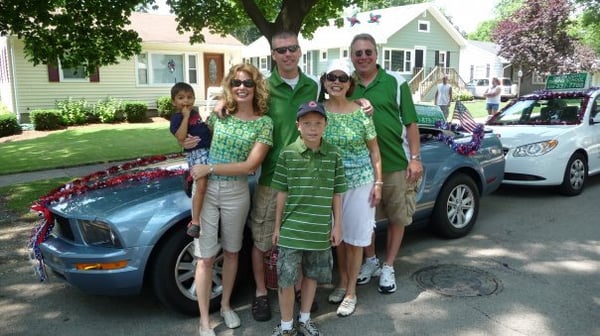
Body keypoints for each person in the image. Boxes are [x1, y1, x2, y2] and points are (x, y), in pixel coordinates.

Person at [189, 63, 273, 336]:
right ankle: (204, 320)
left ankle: (225, 306)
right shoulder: (219, 116)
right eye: (236, 83)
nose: (241, 87)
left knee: (233, 252)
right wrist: (188, 142)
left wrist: (210, 168)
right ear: (230, 86)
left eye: (248, 83)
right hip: (206, 191)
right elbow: (198, 141)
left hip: (236, 192)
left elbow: (250, 166)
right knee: (205, 258)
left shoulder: (264, 123)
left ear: (256, 87)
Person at [246, 31, 322, 322]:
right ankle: (261, 294)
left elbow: (341, 100)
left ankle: (301, 290)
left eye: (292, 48)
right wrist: (217, 107)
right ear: (273, 55)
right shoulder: (263, 87)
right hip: (271, 178)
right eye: (281, 50)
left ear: (300, 51)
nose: (287, 54)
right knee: (263, 241)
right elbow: (240, 106)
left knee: (299, 239)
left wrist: (364, 103)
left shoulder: (312, 85)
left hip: (305, 178)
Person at [348, 33, 423, 295]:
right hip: (359, 166)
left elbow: (411, 123)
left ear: (376, 54)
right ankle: (370, 261)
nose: (363, 57)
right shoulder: (346, 83)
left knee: (396, 217)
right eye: (358, 53)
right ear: (351, 56)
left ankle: (388, 266)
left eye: (368, 51)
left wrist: (414, 159)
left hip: (394, 162)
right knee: (364, 218)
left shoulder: (395, 82)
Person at [271, 101, 347, 336]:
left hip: (319, 230)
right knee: (286, 279)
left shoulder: (334, 154)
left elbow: (337, 193)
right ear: (298, 126)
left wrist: (338, 226)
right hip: (292, 229)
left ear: (325, 125)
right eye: (307, 123)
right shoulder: (288, 153)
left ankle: (304, 320)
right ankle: (286, 326)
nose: (312, 128)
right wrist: (277, 227)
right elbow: (281, 192)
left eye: (318, 123)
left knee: (312, 276)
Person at [320, 59, 382, 317]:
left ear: (350, 84)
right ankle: (342, 281)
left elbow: (375, 150)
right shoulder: (318, 111)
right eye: (332, 77)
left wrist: (378, 182)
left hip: (359, 182)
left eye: (342, 78)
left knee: (355, 239)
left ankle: (351, 291)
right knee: (338, 238)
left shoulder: (361, 113)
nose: (336, 81)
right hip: (330, 185)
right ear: (324, 81)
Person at [169, 82, 212, 238]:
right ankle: (195, 222)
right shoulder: (177, 117)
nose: (186, 101)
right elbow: (180, 137)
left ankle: (189, 176)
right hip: (197, 153)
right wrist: (186, 117)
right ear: (174, 102)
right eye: (181, 98)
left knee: (207, 181)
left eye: (189, 97)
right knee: (202, 185)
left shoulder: (196, 113)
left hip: (207, 150)